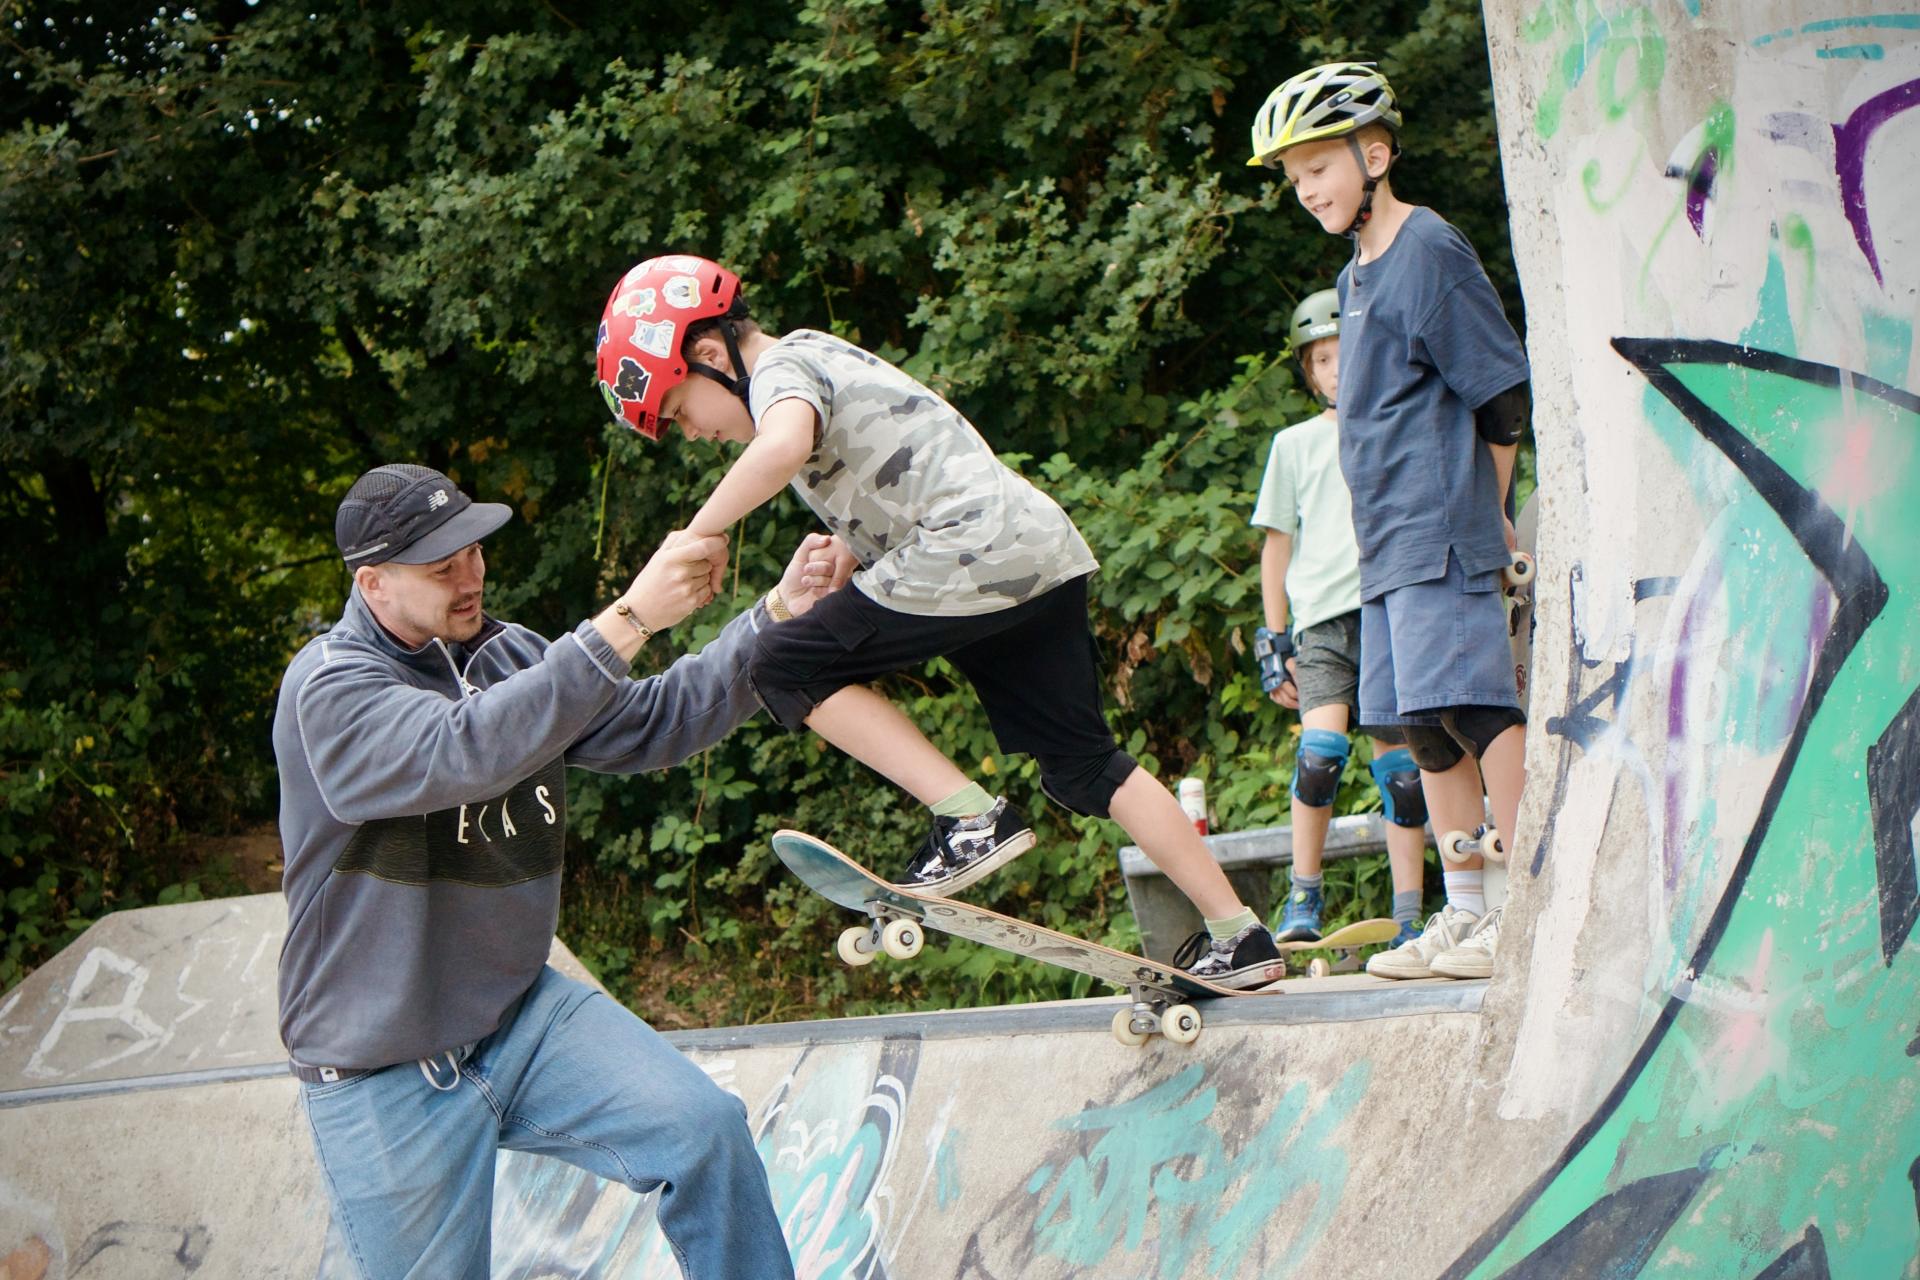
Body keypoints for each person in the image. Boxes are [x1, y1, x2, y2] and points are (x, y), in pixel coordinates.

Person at [594, 255, 1283, 987]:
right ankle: (1239, 934)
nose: (693, 435)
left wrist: (696, 536)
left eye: (679, 412)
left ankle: (970, 819)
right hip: (1032, 557)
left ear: (708, 355)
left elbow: (785, 443)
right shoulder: (824, 357)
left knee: (783, 662)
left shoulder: (779, 371)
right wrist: (851, 559)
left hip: (964, 554)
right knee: (1085, 765)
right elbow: (906, 465)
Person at [274, 462, 827, 1278]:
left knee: (702, 1129)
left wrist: (777, 616)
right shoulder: (331, 687)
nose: (470, 578)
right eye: (440, 568)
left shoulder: (506, 654)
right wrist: (631, 617)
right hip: (382, 1065)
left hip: (522, 1019)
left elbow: (653, 721)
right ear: (374, 583)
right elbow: (463, 748)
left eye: (473, 552)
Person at [1247, 62, 1532, 981]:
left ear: (1374, 155)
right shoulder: (1355, 273)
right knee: (1426, 728)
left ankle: (1527, 901)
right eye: (1294, 182)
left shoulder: (1429, 249)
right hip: (1385, 547)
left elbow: (1501, 399)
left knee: (1478, 709)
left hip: (1442, 528)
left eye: (1318, 170)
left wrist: (1488, 517)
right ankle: (1468, 912)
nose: (1306, 192)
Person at [1251, 288, 1429, 950]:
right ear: (1309, 371)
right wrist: (1274, 642)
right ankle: (1304, 896)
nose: (1334, 370)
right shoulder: (1293, 445)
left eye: (1344, 356)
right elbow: (1277, 545)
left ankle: (1409, 911)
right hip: (1322, 624)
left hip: (1387, 611)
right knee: (1320, 755)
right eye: (1321, 360)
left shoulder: (1394, 432)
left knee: (1403, 771)